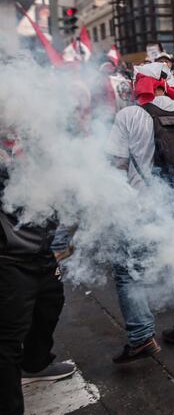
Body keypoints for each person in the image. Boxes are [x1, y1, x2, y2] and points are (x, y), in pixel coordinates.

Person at [105, 67, 174, 363]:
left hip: (144, 207)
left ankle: (141, 337)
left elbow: (116, 164)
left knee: (128, 271)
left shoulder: (129, 115)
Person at [0, 143, 76, 415]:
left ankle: (35, 365)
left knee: (50, 305)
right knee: (7, 338)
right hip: (10, 260)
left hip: (43, 252)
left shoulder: (31, 139)